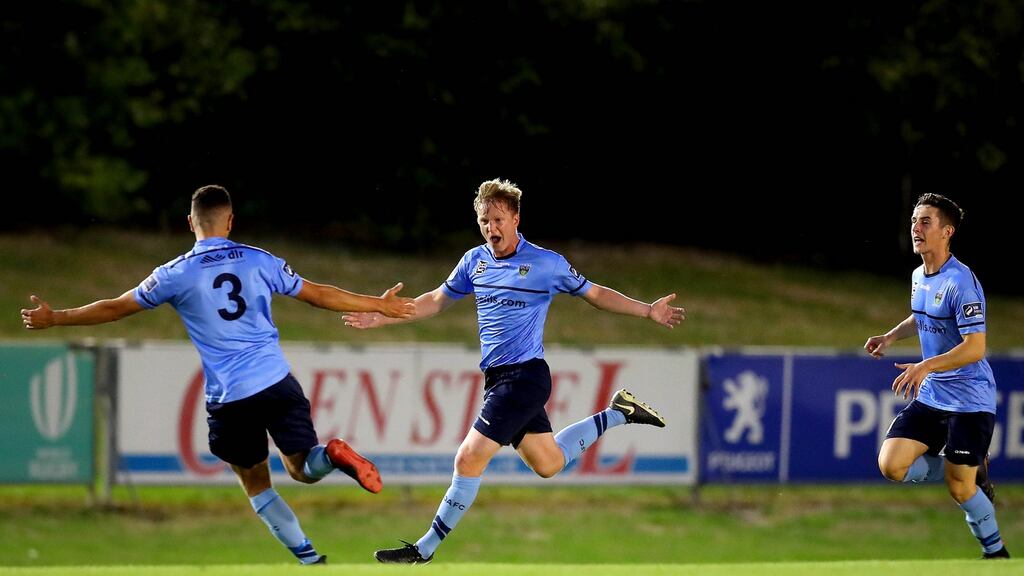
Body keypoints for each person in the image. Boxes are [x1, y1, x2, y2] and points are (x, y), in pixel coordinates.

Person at [20, 184, 416, 565]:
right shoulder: (258, 258)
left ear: (190, 223)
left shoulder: (175, 273)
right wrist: (377, 305)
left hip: (231, 396)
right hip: (277, 382)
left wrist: (57, 317)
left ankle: (311, 560)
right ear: (230, 221)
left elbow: (116, 307)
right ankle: (331, 455)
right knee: (302, 468)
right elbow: (317, 292)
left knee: (256, 482)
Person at [343, 177, 685, 564]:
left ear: (516, 219)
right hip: (497, 381)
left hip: (525, 377)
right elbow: (435, 301)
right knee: (549, 463)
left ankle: (423, 550)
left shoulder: (546, 263)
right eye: (485, 221)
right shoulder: (473, 261)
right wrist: (382, 316)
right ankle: (617, 412)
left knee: (468, 458)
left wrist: (647, 309)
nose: (492, 228)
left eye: (498, 219)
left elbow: (595, 294)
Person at [864, 193, 1009, 560]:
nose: (916, 228)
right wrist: (891, 336)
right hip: (934, 395)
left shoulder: (962, 282)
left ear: (947, 231)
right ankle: (967, 467)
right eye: (914, 221)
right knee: (891, 465)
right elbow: (922, 315)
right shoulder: (919, 276)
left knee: (960, 490)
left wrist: (925, 365)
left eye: (925, 221)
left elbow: (975, 347)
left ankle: (996, 555)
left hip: (969, 398)